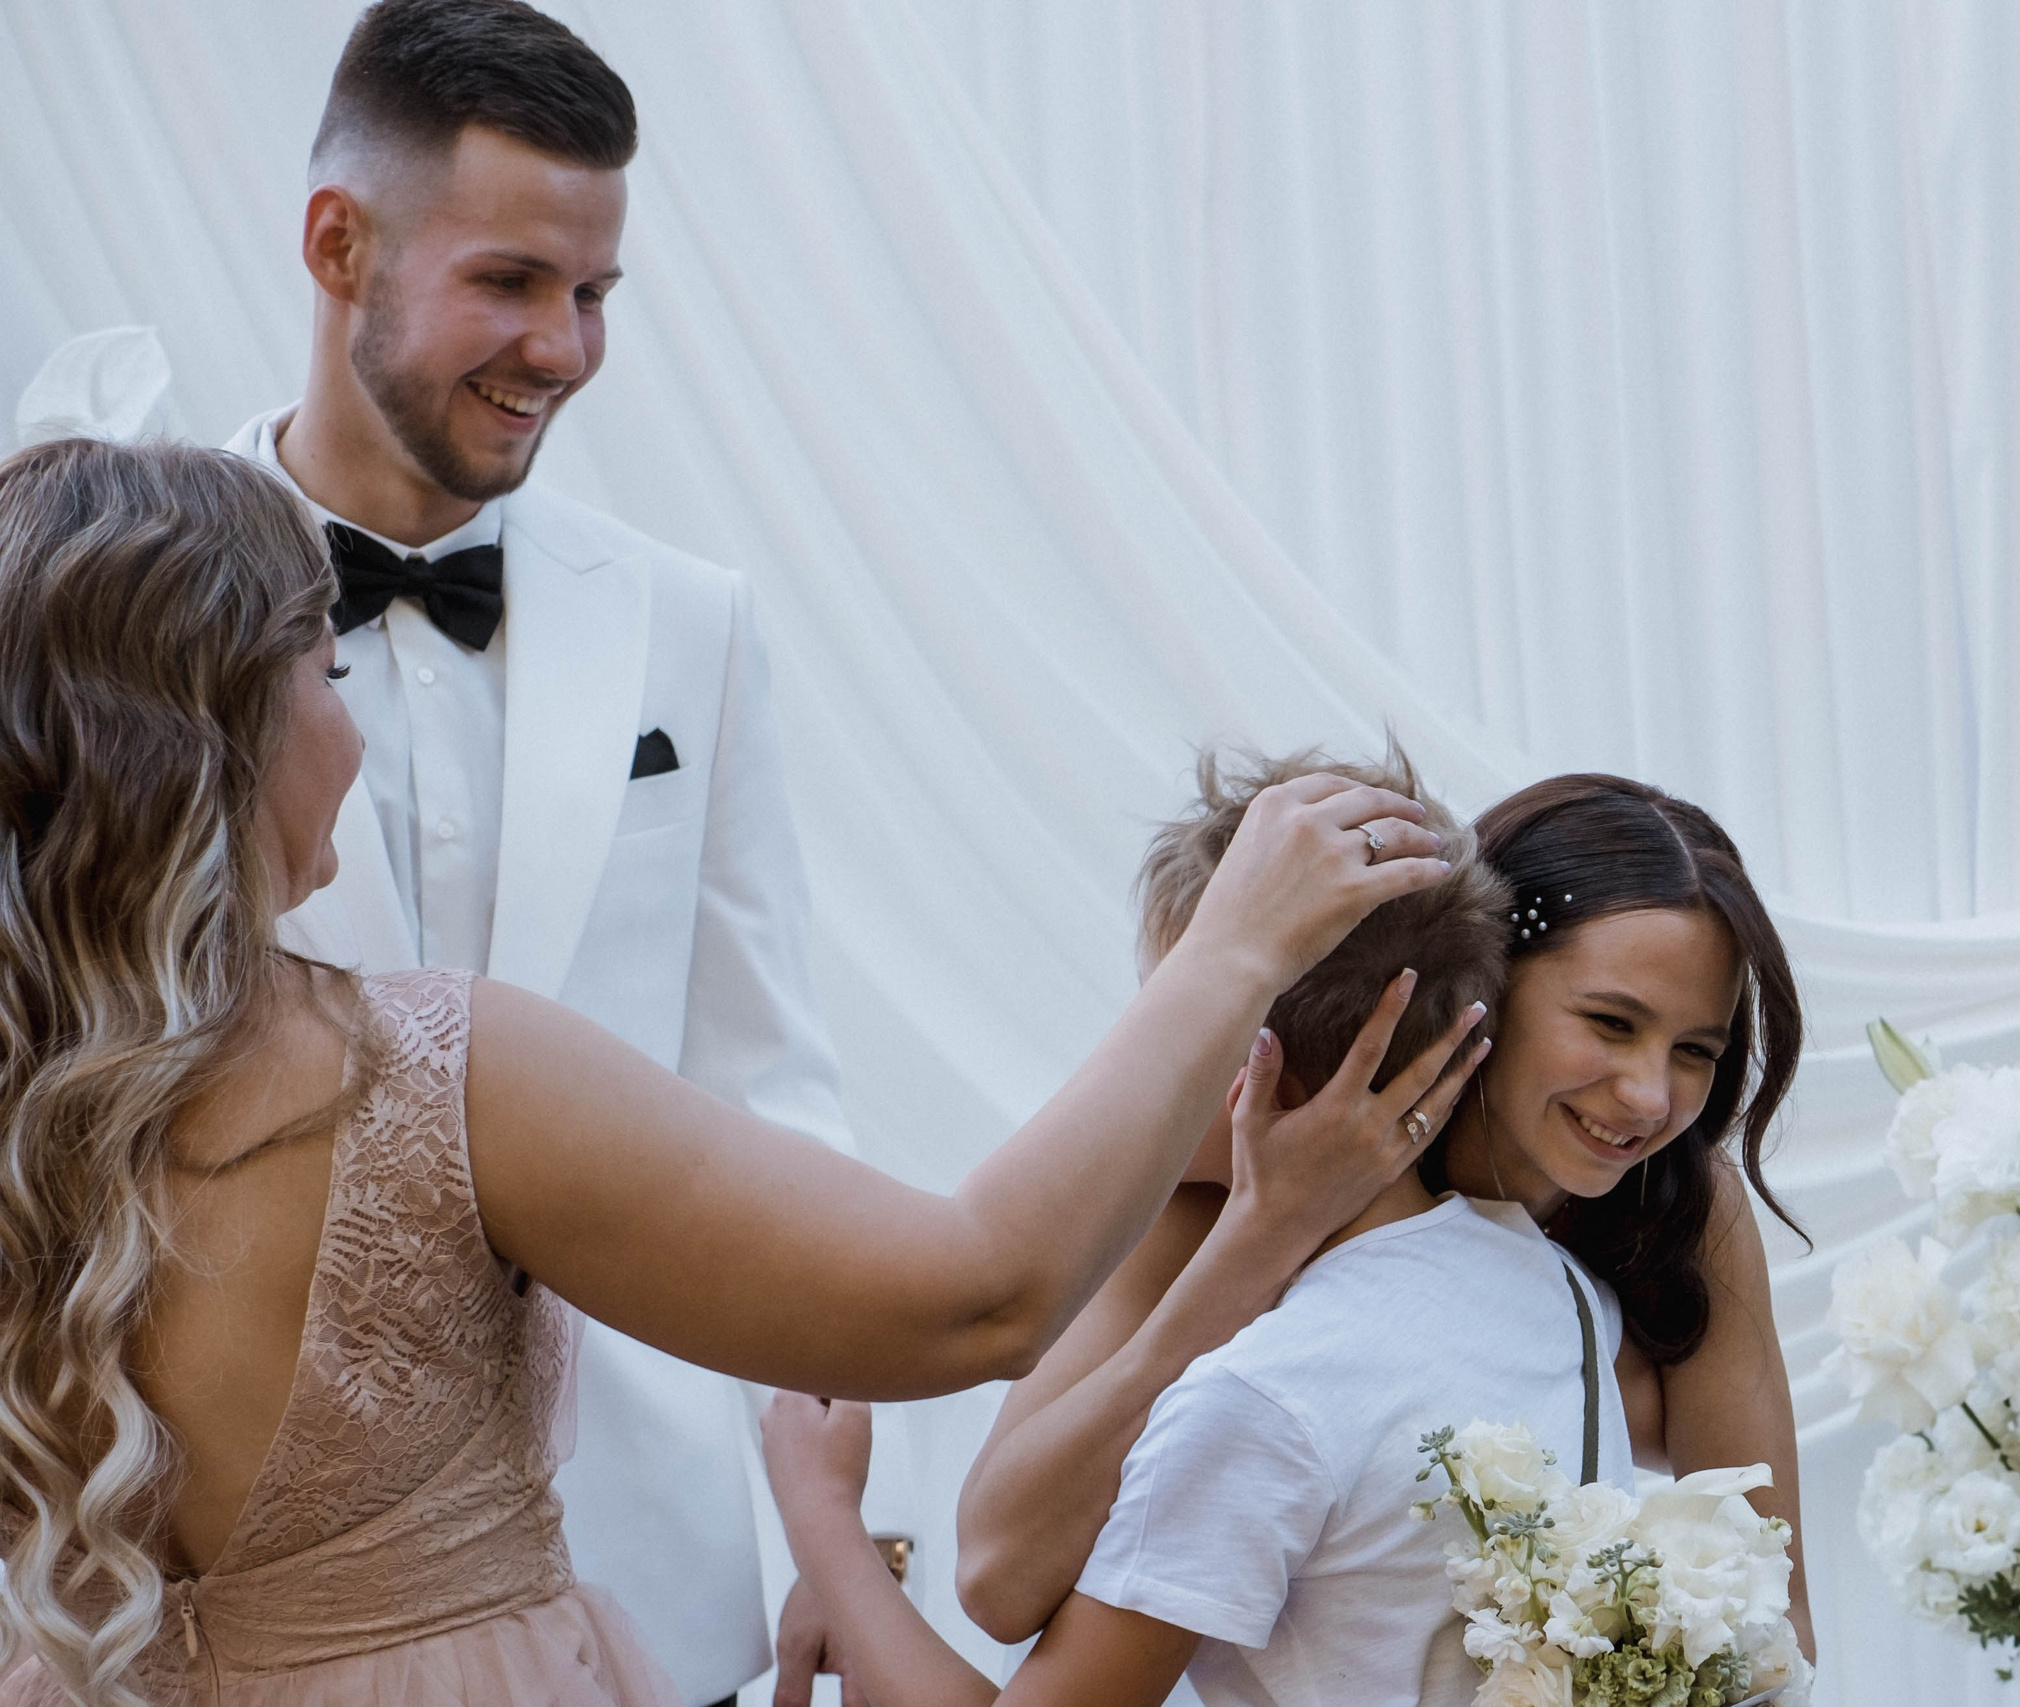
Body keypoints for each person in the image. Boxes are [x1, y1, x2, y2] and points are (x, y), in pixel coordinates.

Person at [0, 440, 1451, 1704]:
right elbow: (977, 1290)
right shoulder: (437, 1072)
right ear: (217, 738)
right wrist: (1231, 949)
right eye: (325, 675)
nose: (354, 727)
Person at [220, 1, 847, 1696]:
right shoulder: (112, 594)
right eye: (511, 282)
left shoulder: (690, 622)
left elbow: (765, 1078)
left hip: (655, 1563)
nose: (564, 348)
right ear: (338, 245)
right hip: (259, 1572)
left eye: (595, 295)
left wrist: (842, 1547)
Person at [761, 751, 1649, 1707]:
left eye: (1166, 1005)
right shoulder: (1555, 1288)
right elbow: (1002, 1567)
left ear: (1245, 1062)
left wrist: (825, 1527)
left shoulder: (1266, 1393)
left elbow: (996, 1584)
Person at [933, 772, 1815, 1687]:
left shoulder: (1677, 1199)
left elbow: (1773, 1618)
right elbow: (998, 1571)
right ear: (1488, 984)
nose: (1649, 1096)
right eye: (1609, 1021)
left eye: (1695, 1052)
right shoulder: (1216, 1176)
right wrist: (1260, 1240)